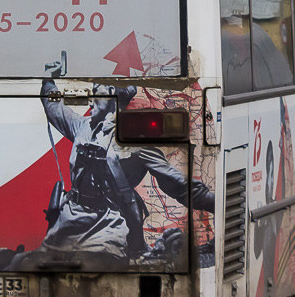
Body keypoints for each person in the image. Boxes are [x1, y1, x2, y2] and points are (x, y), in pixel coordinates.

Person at [14, 58, 215, 265]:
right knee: (23, 265)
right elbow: (54, 109)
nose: (90, 99)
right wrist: (49, 80)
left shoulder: (135, 140)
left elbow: (178, 185)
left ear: (112, 96)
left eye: (96, 92)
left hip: (107, 226)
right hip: (69, 221)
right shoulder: (82, 127)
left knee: (94, 272)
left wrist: (217, 205)